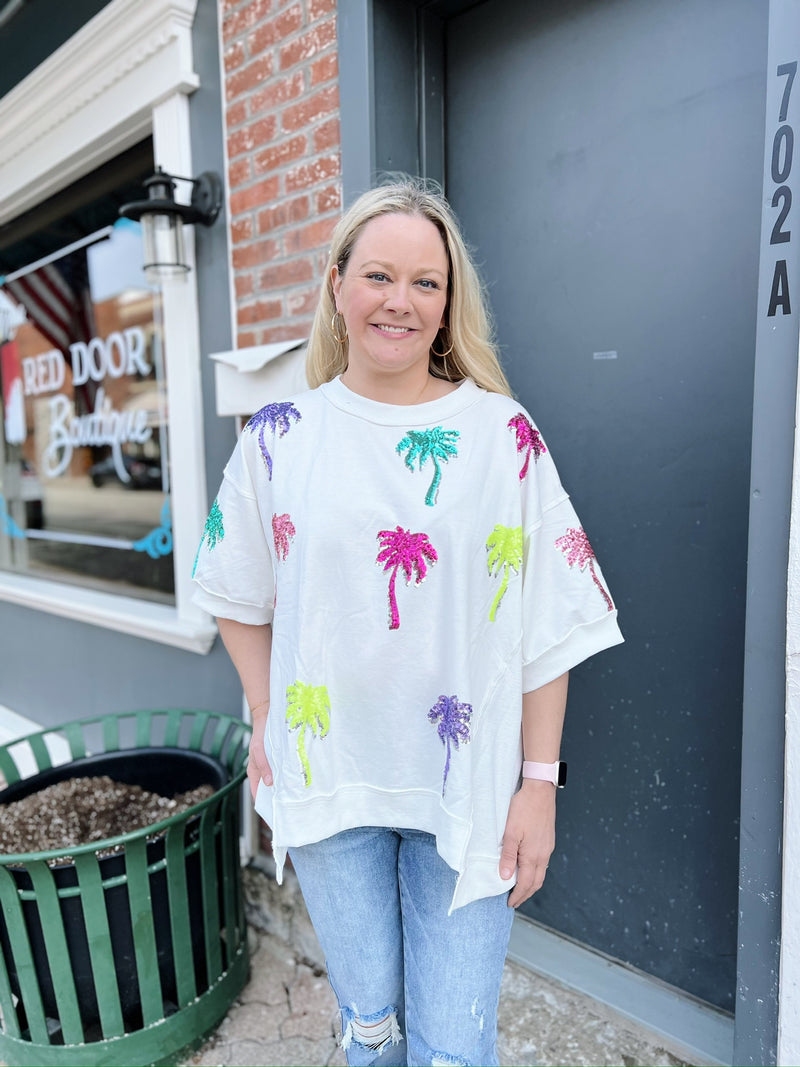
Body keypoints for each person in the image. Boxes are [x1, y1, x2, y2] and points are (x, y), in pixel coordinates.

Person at [191, 178, 623, 1067]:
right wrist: (267, 710)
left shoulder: (503, 435)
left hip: (468, 788)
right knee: (370, 1028)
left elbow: (551, 614)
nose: (401, 300)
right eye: (380, 275)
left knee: (454, 1046)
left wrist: (540, 781)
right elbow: (236, 588)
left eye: (427, 282)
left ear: (448, 302)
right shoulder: (279, 437)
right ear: (338, 285)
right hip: (331, 784)